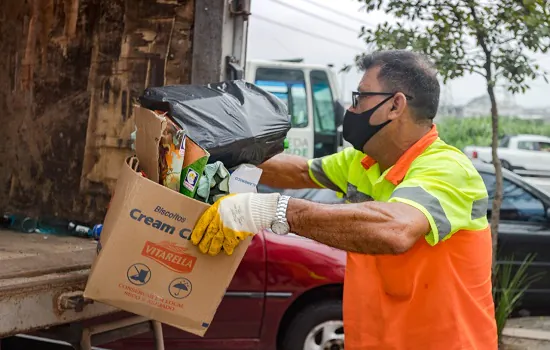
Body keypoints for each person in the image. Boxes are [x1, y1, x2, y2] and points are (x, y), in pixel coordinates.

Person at [191, 50, 497, 349]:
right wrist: (208, 156)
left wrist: (272, 210)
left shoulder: (446, 168)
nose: (350, 110)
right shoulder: (364, 162)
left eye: (360, 98)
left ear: (395, 105)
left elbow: (395, 229)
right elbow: (298, 172)